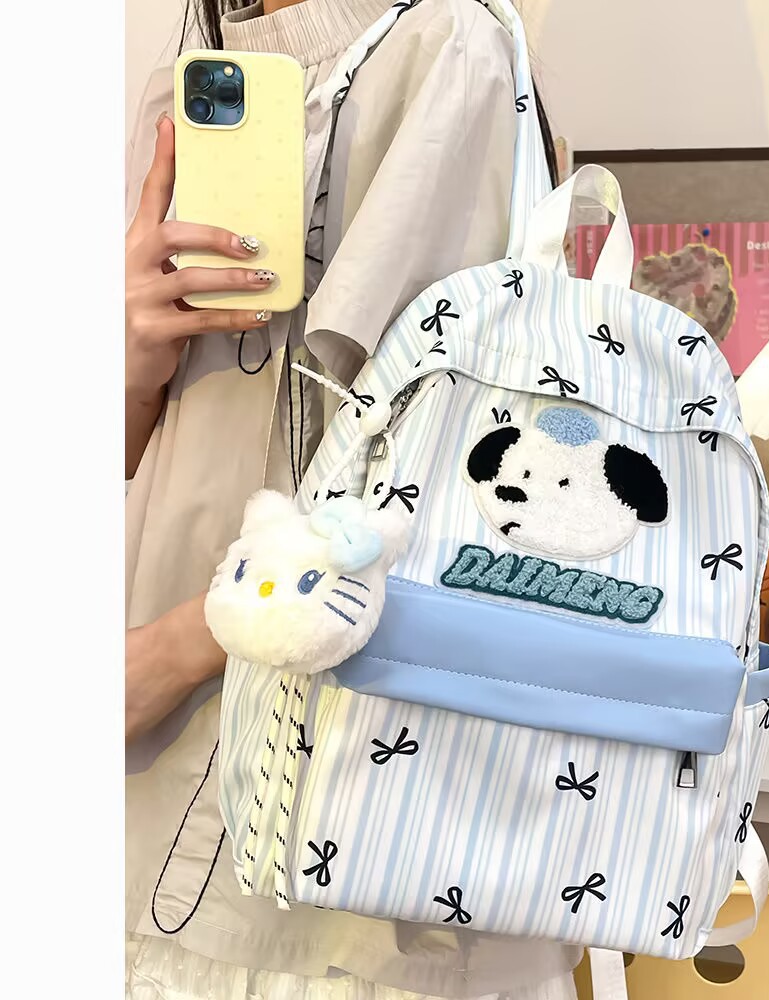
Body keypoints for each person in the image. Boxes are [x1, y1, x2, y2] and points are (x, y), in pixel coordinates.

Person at [125, 1, 580, 998]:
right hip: (149, 763)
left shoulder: (446, 47)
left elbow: (419, 479)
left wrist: (169, 650)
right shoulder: (194, 74)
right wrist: (130, 360)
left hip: (323, 782)